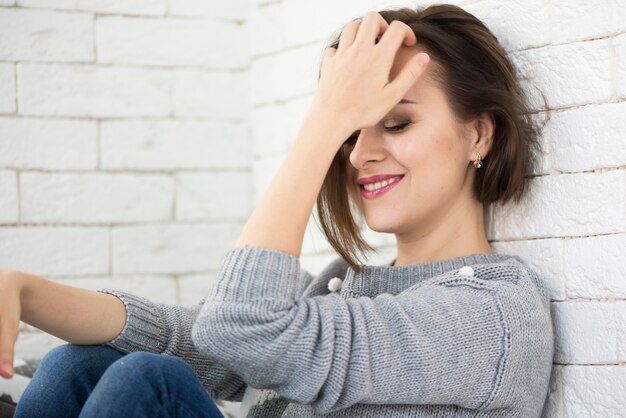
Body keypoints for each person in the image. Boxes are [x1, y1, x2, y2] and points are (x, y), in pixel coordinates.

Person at [1, 3, 554, 418]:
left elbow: (241, 326)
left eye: (397, 122)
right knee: (76, 364)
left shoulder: (493, 318)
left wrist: (323, 123)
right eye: (350, 133)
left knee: (151, 382)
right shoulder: (340, 287)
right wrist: (23, 289)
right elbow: (196, 339)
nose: (359, 154)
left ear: (478, 134)